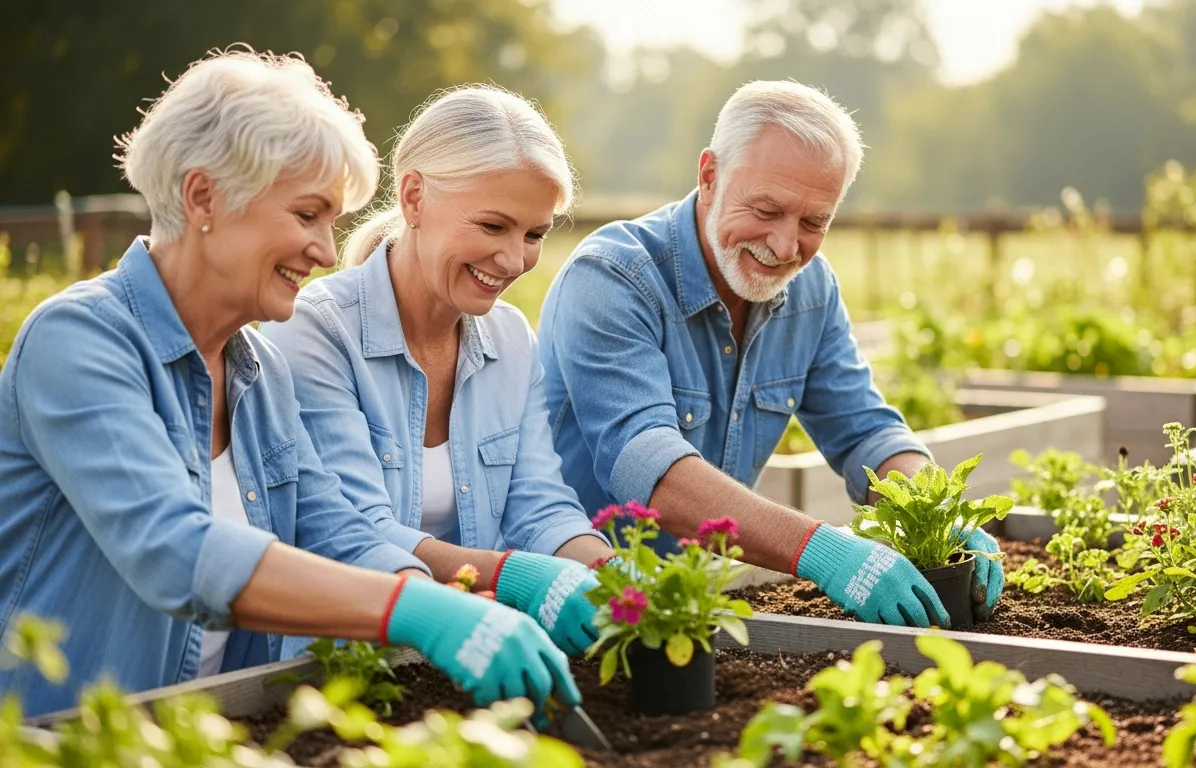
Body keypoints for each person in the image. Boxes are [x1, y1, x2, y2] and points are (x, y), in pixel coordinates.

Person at [0, 50, 577, 717]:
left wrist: (445, 602)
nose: (329, 252)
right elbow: (173, 549)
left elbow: (335, 528)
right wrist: (411, 610)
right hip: (67, 737)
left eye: (333, 222)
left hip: (209, 729)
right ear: (204, 196)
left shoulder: (257, 367)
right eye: (308, 216)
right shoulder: (80, 340)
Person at [538, 81, 1003, 629]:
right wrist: (823, 551)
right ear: (709, 176)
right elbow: (647, 465)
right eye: (766, 209)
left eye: (814, 223)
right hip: (573, 604)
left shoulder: (812, 290)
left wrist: (936, 511)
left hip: (691, 608)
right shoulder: (614, 278)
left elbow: (864, 432)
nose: (785, 247)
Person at [260, 85, 611, 659]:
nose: (514, 259)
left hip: (481, 648)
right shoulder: (316, 332)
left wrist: (619, 582)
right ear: (415, 197)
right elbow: (356, 529)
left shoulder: (511, 341)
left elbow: (541, 506)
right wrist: (518, 576)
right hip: (346, 666)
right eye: (494, 226)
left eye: (534, 235)